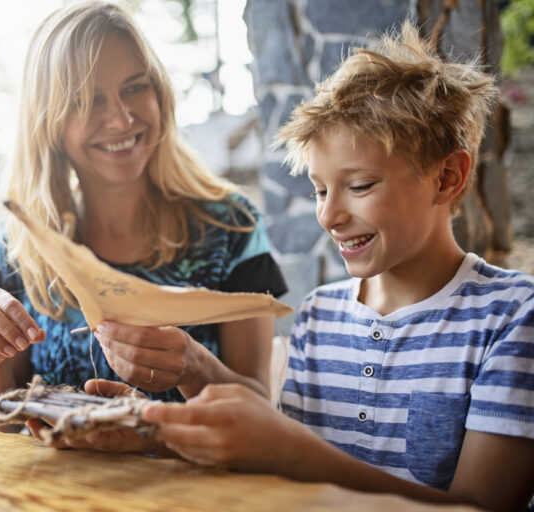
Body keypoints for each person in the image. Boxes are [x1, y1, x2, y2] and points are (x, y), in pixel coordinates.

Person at [135, 21, 534, 512]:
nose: (328, 214)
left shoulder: (514, 316)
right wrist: (172, 392)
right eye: (320, 190)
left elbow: (482, 506)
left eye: (360, 186)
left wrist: (291, 453)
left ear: (447, 177)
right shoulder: (320, 313)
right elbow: (282, 466)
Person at [0, 0, 287, 406]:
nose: (120, 119)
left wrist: (196, 368)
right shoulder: (19, 242)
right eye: (87, 100)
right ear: (48, 122)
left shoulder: (231, 227)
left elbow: (259, 408)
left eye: (135, 87)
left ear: (161, 93)